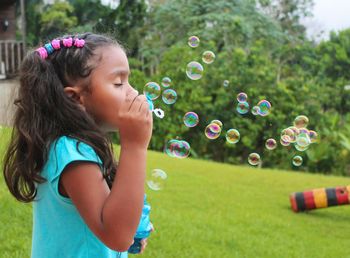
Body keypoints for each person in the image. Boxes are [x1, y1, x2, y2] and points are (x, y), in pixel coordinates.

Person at [2, 32, 154, 258]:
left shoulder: (71, 146)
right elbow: (117, 236)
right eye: (119, 82)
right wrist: (135, 146)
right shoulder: (72, 154)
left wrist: (134, 226)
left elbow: (114, 221)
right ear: (75, 98)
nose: (132, 92)